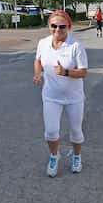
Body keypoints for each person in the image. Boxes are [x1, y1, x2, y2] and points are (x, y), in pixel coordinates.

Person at [33, 11, 89, 177]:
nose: (58, 29)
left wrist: (66, 72)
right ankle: (54, 155)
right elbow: (37, 60)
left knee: (76, 131)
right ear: (49, 27)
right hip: (51, 96)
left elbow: (84, 72)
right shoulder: (43, 43)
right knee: (50, 131)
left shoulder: (75, 46)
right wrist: (38, 73)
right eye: (54, 26)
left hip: (74, 98)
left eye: (62, 26)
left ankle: (77, 156)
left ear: (69, 27)